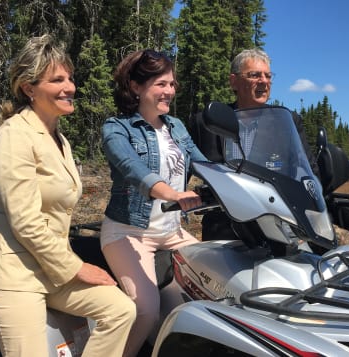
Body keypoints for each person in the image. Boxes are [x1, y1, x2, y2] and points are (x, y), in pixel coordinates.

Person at [0, 34, 136, 357]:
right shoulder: (14, 136)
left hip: (51, 271)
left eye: (70, 78)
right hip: (14, 275)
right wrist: (78, 268)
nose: (70, 87)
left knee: (120, 310)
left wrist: (70, 267)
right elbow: (26, 222)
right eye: (57, 79)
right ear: (28, 88)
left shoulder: (58, 137)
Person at [101, 49, 207, 357]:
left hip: (171, 232)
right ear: (136, 87)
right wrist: (172, 194)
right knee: (146, 311)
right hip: (129, 233)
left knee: (215, 290)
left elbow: (203, 163)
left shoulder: (176, 126)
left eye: (172, 84)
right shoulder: (117, 128)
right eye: (162, 84)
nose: (170, 91)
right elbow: (133, 168)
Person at [188, 48, 331, 241]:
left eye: (267, 76)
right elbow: (184, 169)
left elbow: (309, 171)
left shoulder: (287, 124)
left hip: (277, 227)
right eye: (254, 75)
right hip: (223, 227)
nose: (263, 81)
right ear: (234, 81)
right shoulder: (205, 122)